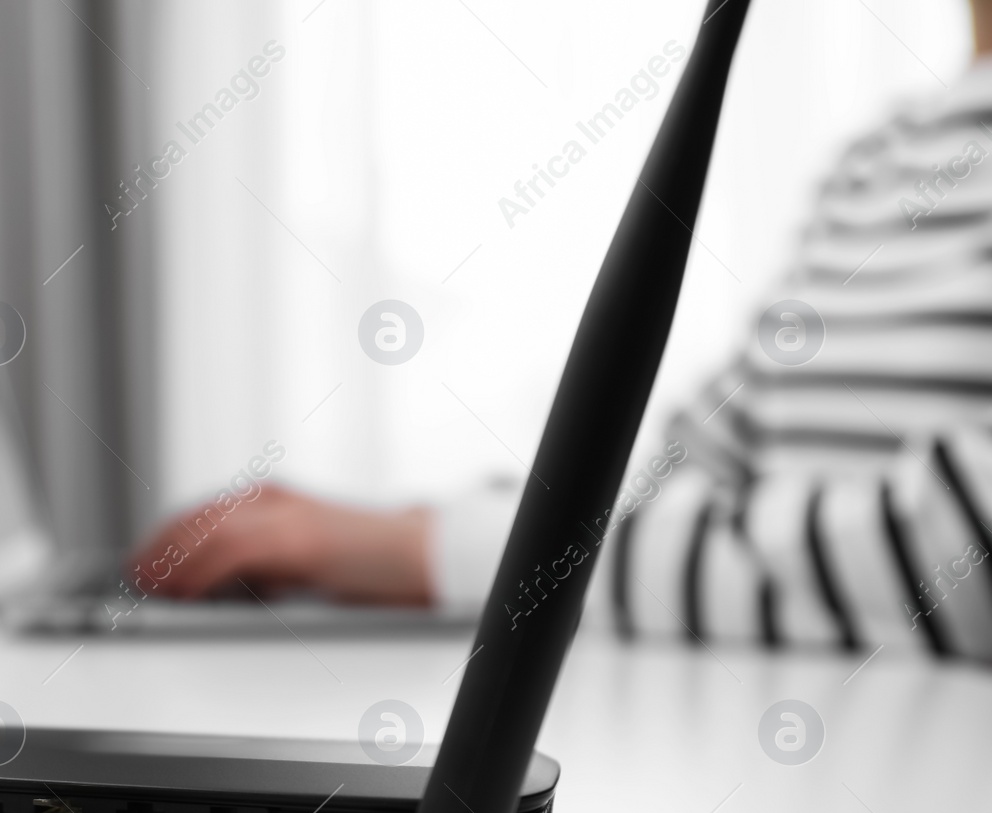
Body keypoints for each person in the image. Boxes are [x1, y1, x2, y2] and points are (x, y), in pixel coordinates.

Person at [128, 5, 992, 661]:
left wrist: (427, 551)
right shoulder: (880, 159)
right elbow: (680, 482)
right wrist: (422, 534)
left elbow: (959, 569)